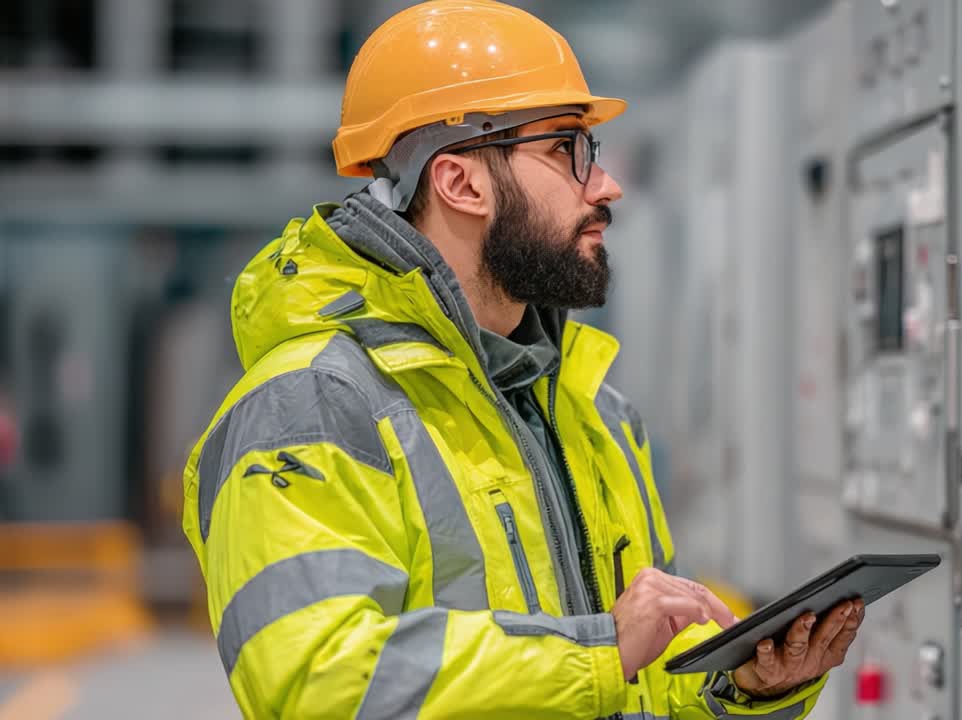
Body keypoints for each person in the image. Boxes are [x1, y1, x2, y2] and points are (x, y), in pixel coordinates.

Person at [180, 1, 864, 717]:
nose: (605, 186)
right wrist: (600, 649)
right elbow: (317, 683)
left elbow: (638, 680)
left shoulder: (588, 408)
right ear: (460, 183)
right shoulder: (311, 406)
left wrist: (743, 688)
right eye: (568, 150)